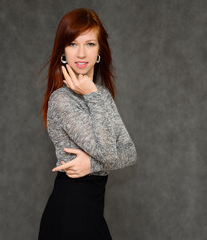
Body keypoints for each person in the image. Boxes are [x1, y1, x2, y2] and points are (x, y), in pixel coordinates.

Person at [38, 8, 137, 240]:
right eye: (73, 44)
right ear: (63, 51)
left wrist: (90, 165)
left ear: (100, 50)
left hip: (90, 212)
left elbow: (129, 152)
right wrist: (92, 94)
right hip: (70, 211)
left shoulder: (101, 95)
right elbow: (109, 155)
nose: (81, 53)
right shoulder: (61, 100)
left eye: (90, 44)